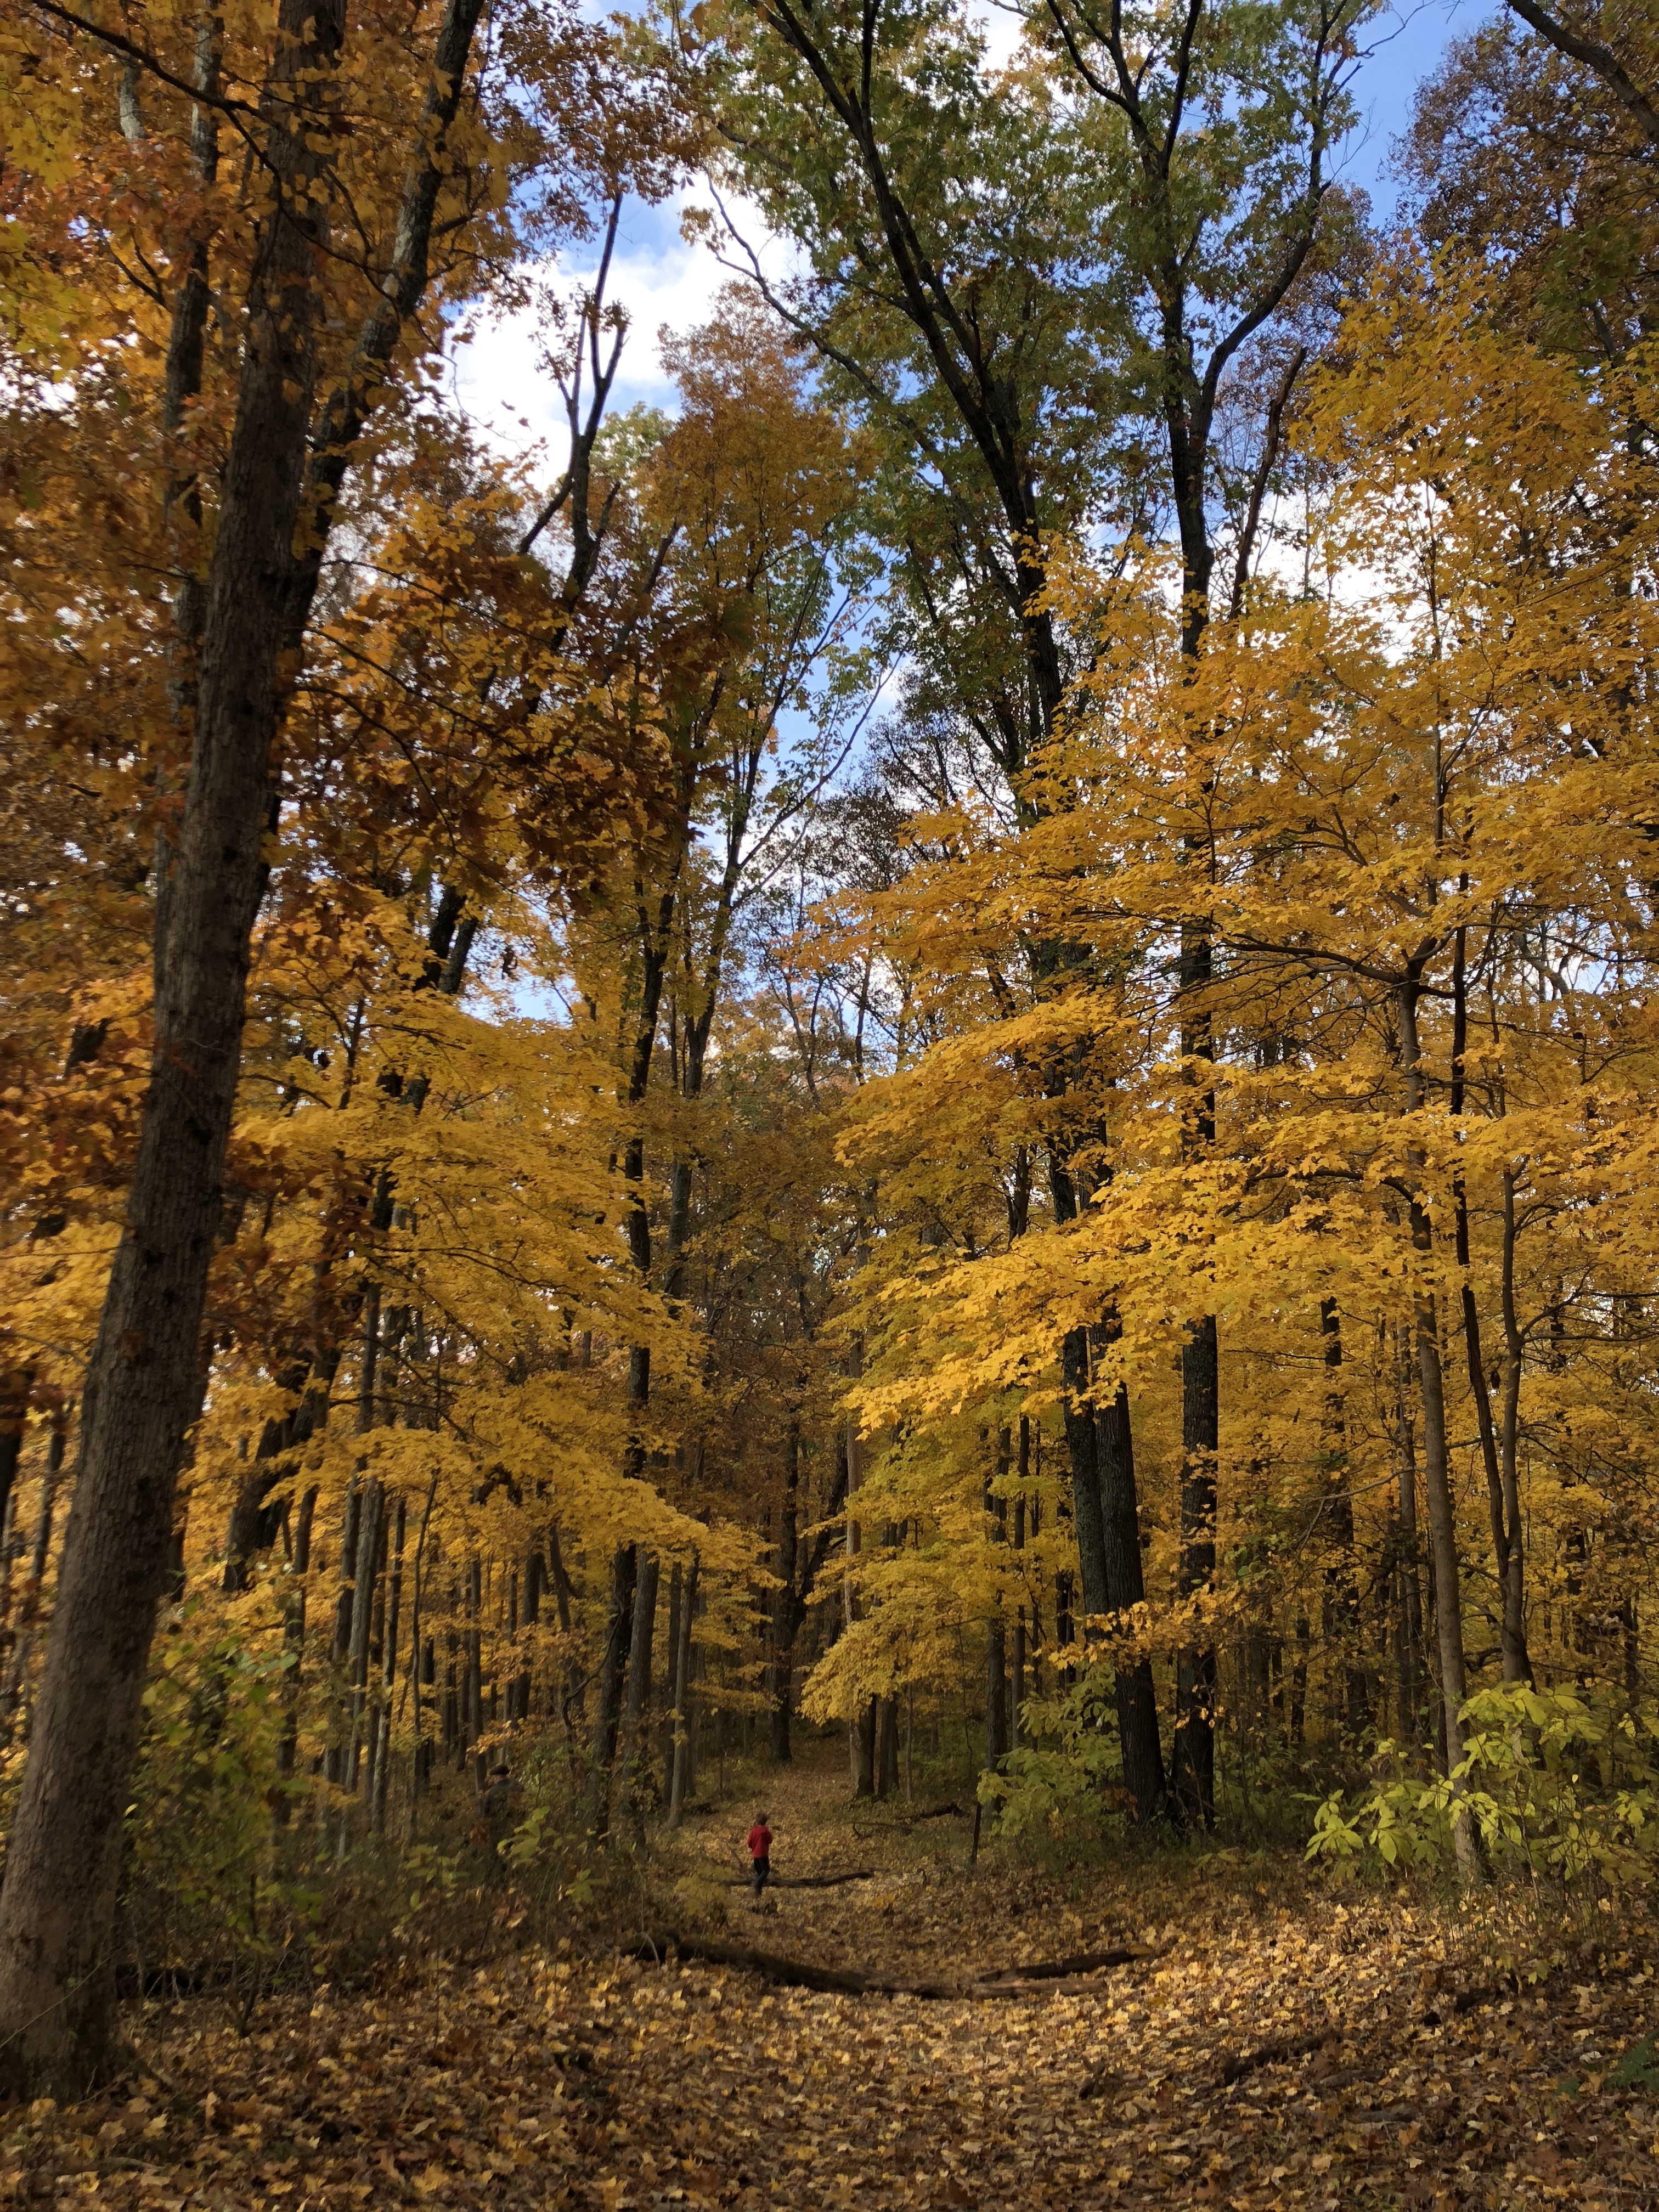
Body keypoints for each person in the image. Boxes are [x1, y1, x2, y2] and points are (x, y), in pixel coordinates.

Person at [747, 1810, 772, 1899]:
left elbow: (749, 1843)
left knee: (759, 1872)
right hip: (763, 1854)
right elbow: (770, 1841)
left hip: (755, 1855)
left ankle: (758, 1895)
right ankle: (757, 1885)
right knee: (766, 1870)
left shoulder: (754, 1831)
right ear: (765, 1821)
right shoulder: (765, 1831)